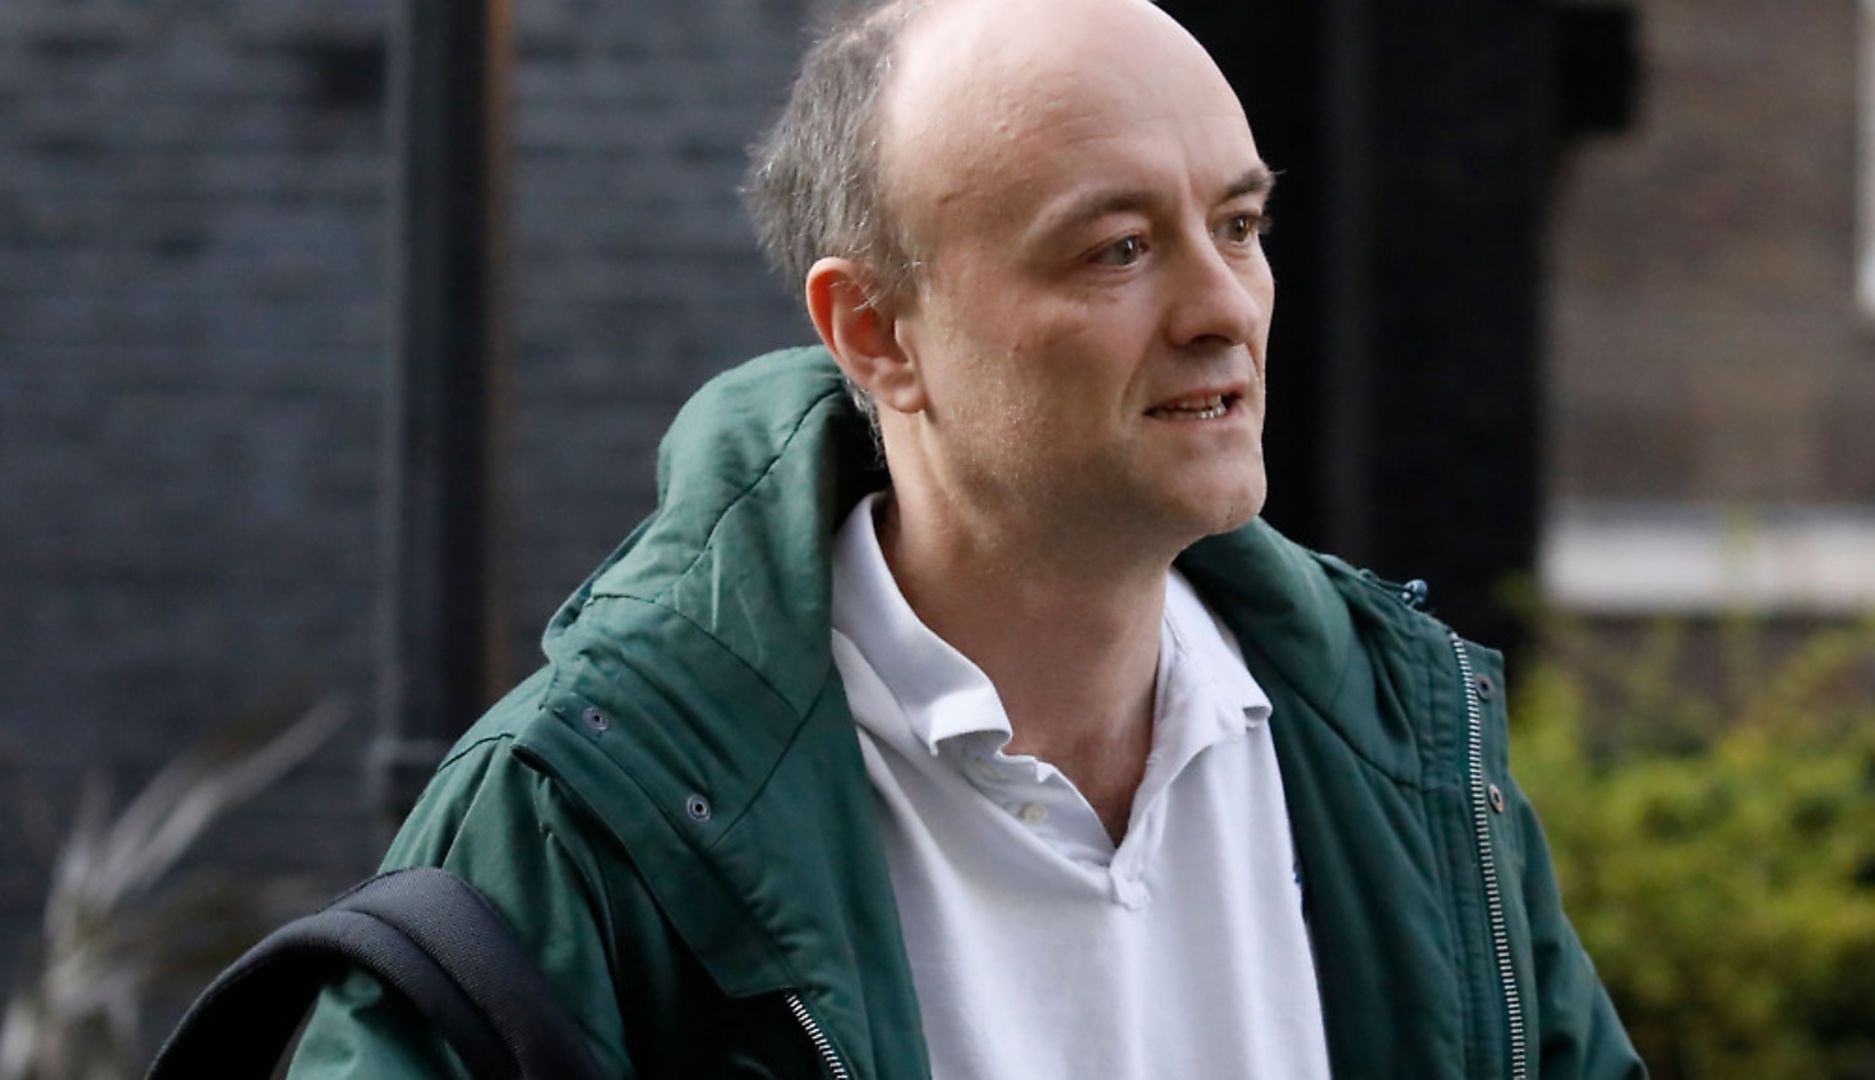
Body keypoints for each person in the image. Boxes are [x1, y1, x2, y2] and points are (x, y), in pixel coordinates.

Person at [290, 0, 1645, 1075]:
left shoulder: (1400, 746)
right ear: (877, 333)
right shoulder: (589, 813)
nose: (1223, 304)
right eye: (1117, 249)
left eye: (1237, 224)